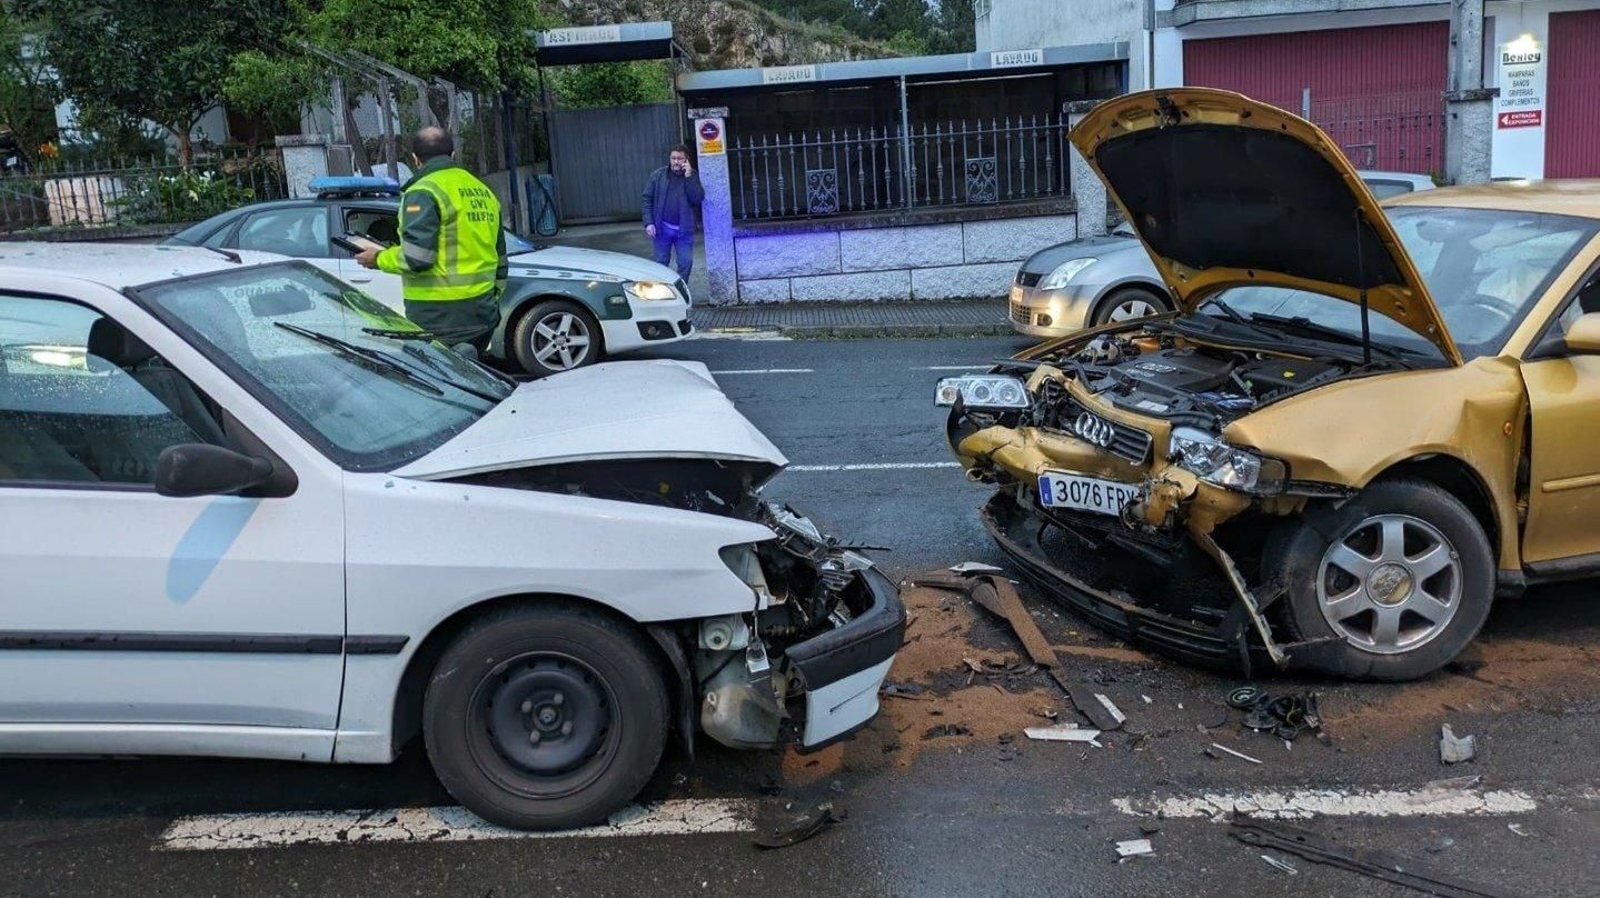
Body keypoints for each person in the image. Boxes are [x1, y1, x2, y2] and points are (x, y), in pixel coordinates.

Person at [355, 126, 507, 354]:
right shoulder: (483, 191)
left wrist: (378, 258)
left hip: (437, 316)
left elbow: (417, 258)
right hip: (482, 311)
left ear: (415, 159)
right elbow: (501, 259)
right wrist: (492, 298)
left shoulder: (423, 192)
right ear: (453, 154)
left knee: (440, 382)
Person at [641, 145, 704, 279]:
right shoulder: (658, 176)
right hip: (662, 228)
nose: (676, 162)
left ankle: (680, 291)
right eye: (673, 158)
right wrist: (648, 223)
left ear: (686, 160)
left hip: (683, 230)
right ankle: (662, 294)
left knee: (686, 263)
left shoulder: (692, 175)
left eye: (679, 158)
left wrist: (689, 177)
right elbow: (647, 199)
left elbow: (697, 199)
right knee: (661, 263)